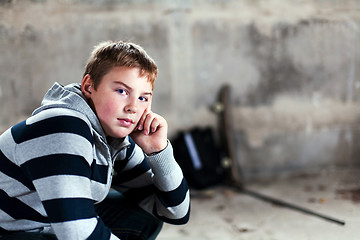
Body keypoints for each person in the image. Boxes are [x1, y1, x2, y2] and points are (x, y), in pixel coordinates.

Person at [0, 40, 190, 240]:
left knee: (141, 218)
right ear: (89, 86)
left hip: (44, 225)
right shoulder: (63, 126)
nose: (133, 107)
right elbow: (78, 234)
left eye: (143, 98)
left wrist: (159, 151)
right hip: (10, 232)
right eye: (122, 91)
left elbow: (175, 212)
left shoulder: (114, 139)